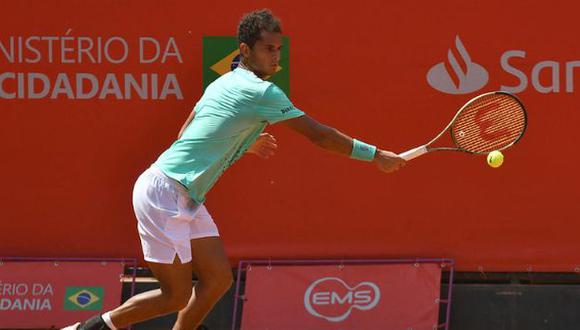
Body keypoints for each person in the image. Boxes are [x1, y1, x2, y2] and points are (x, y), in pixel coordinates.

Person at [64, 8, 405, 330]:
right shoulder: (262, 92)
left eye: (278, 49)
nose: (276, 56)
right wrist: (375, 155)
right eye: (267, 49)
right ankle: (89, 327)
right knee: (176, 295)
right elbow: (319, 135)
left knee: (217, 280)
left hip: (183, 194)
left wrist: (243, 143)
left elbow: (185, 134)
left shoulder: (223, 82)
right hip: (164, 193)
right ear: (245, 49)